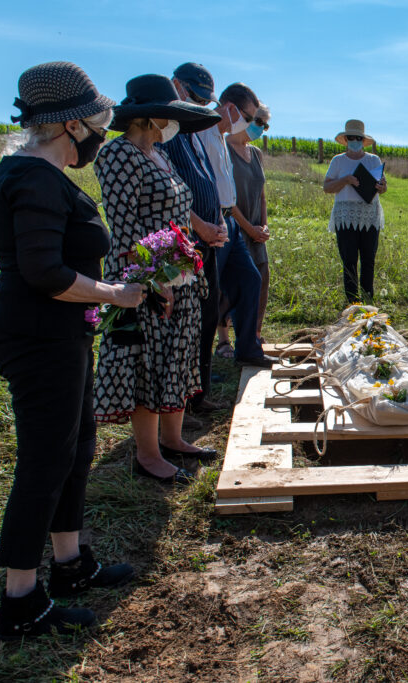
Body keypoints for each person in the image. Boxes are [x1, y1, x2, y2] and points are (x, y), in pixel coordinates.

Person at [0, 62, 142, 639]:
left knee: (77, 445)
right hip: (37, 335)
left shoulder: (42, 175)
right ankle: (21, 600)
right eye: (98, 120)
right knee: (44, 459)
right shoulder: (31, 179)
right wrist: (116, 294)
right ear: (72, 124)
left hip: (62, 333)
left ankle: (71, 563)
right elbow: (45, 273)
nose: (102, 130)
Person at [93, 74, 222, 483]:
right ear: (149, 119)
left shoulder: (160, 155)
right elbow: (124, 224)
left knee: (177, 356)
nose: (172, 125)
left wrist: (186, 253)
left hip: (177, 271)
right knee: (149, 361)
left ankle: (174, 438)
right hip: (144, 278)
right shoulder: (118, 155)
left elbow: (178, 210)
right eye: (167, 118)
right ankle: (148, 455)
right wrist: (154, 278)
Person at [166, 65, 273, 415]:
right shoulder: (195, 132)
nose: (248, 123)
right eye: (246, 115)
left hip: (227, 224)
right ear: (227, 106)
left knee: (249, 279)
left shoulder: (218, 136)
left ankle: (247, 347)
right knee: (206, 304)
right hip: (209, 227)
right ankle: (197, 389)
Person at [322, 119, 387, 303]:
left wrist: (381, 186)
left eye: (358, 138)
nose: (355, 141)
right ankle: (352, 302)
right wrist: (346, 180)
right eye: (351, 137)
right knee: (349, 261)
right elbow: (327, 187)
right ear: (346, 139)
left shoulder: (372, 160)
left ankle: (368, 300)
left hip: (369, 215)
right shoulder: (338, 161)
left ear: (363, 139)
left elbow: (383, 187)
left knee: (368, 260)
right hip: (345, 216)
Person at [225, 98, 271, 343]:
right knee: (231, 285)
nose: (261, 128)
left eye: (265, 125)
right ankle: (224, 338)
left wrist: (263, 226)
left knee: (261, 280)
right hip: (234, 226)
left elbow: (262, 195)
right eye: (258, 121)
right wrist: (248, 229)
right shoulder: (224, 149)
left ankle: (254, 333)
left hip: (256, 228)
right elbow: (227, 200)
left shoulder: (256, 153)